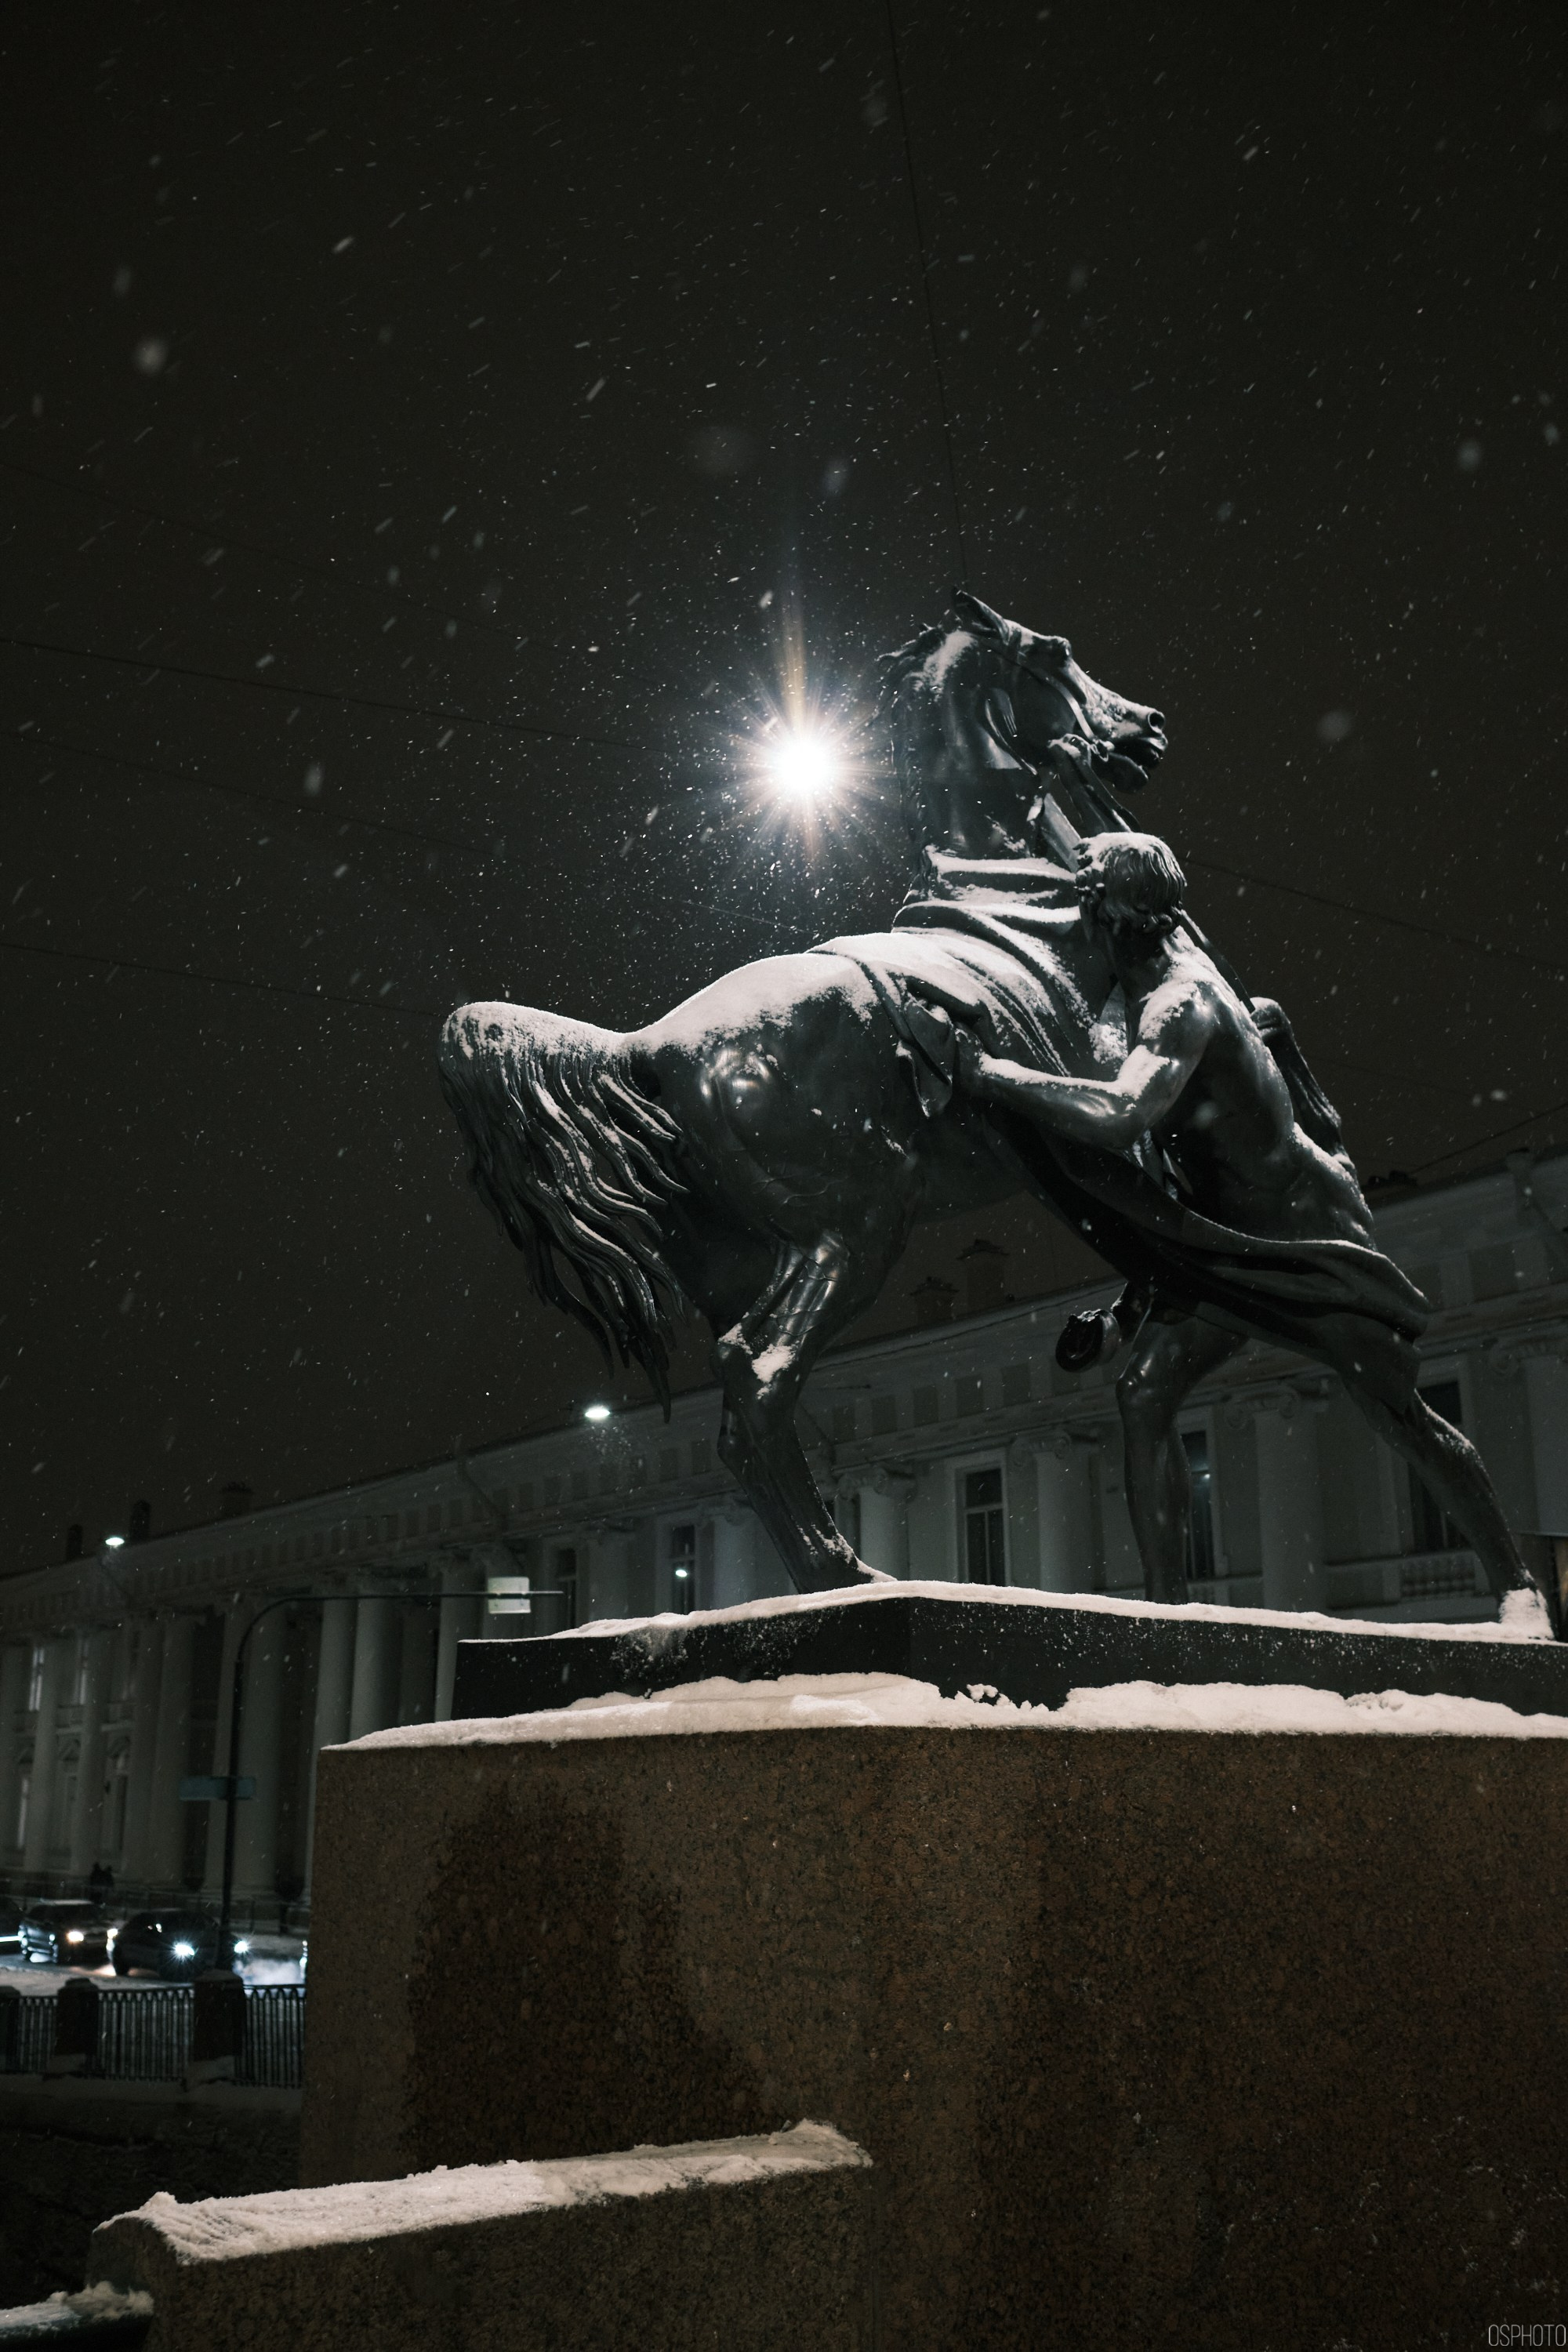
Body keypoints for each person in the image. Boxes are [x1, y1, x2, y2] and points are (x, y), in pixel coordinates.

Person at [953, 829, 1544, 1617]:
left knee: (1398, 1412)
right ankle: (1171, 1615)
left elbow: (1123, 1112)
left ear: (1110, 918)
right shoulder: (1156, 978)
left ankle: (1518, 1591)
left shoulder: (1178, 1002)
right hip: (1227, 1240)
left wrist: (990, 1074)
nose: (1073, 924)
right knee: (1143, 1391)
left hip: (1305, 1234)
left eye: (1083, 906)